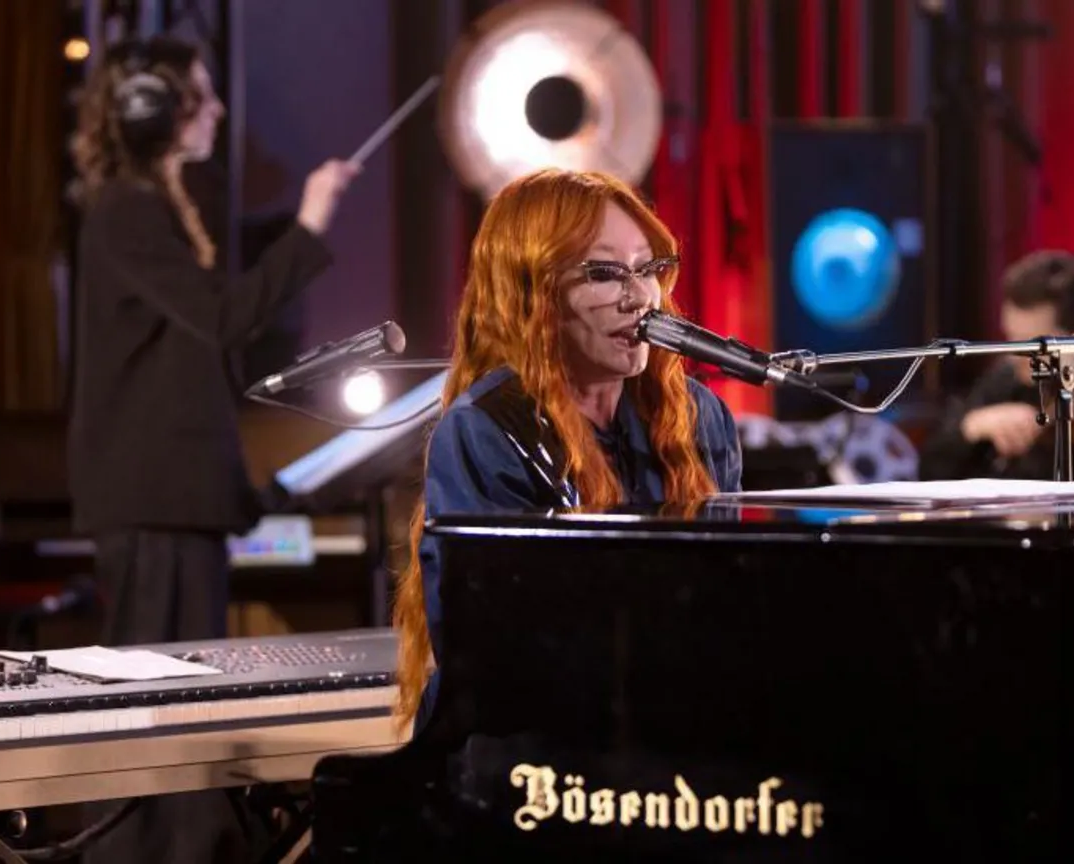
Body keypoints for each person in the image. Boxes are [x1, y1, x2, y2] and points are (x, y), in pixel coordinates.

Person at [66, 35, 356, 863]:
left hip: (173, 500)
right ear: (154, 111)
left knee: (181, 711)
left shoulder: (149, 204)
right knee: (158, 718)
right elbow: (227, 316)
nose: (220, 110)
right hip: (153, 501)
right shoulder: (127, 208)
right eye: (202, 94)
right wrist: (311, 220)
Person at [390, 169, 744, 734]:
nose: (639, 297)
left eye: (650, 268)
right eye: (605, 273)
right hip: (524, 749)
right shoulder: (489, 429)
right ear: (533, 293)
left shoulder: (699, 419)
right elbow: (494, 647)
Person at [919, 249, 1074, 480]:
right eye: (1010, 339)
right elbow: (928, 467)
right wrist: (972, 426)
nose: (1014, 356)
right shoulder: (1003, 382)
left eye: (1033, 346)